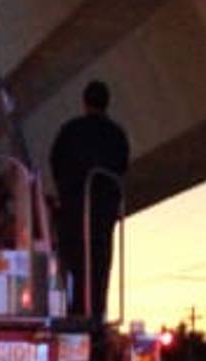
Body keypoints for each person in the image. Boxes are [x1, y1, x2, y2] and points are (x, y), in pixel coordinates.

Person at [49, 80, 129, 320]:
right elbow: (121, 168)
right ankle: (96, 314)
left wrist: (65, 192)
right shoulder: (117, 136)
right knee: (99, 268)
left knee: (71, 264)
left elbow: (56, 161)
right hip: (103, 216)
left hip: (73, 212)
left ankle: (71, 311)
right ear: (107, 103)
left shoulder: (70, 131)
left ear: (84, 102)